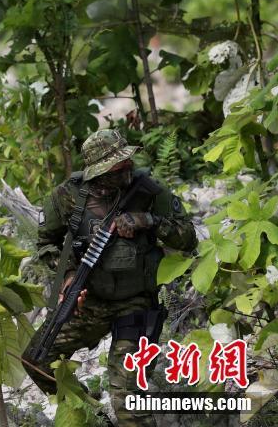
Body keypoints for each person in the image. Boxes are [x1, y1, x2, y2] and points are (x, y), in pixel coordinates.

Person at [22, 128, 197, 426]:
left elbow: (188, 238)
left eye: (127, 160)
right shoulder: (67, 196)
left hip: (137, 303)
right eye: (117, 166)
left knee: (128, 400)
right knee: (36, 360)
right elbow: (47, 244)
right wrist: (67, 276)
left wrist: (148, 221)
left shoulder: (149, 191)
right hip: (90, 300)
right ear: (99, 172)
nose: (127, 167)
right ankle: (92, 414)